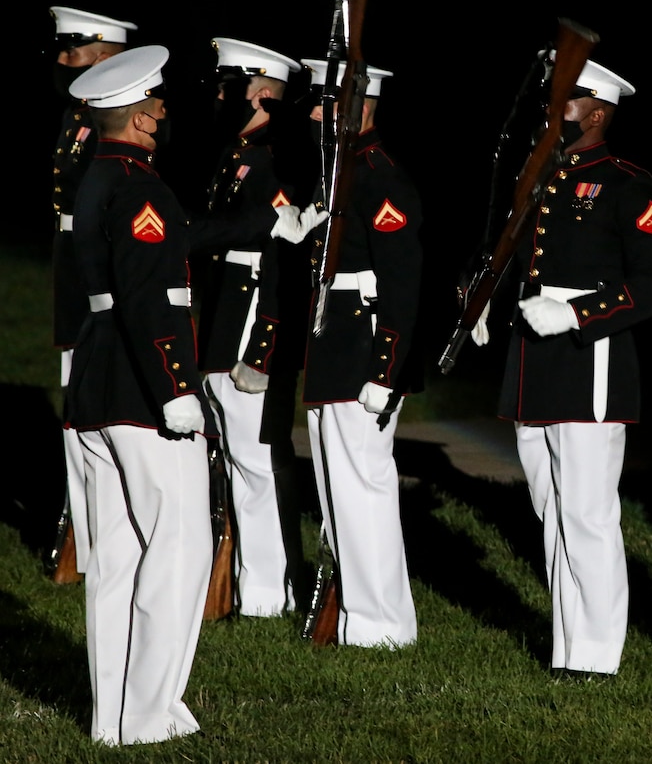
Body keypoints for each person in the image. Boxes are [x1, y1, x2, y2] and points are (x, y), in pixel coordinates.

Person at [65, 45, 311, 745]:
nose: (167, 113)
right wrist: (176, 389)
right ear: (141, 118)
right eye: (161, 104)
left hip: (97, 383)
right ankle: (148, 715)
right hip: (145, 390)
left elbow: (176, 238)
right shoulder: (140, 184)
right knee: (176, 549)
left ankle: (111, 717)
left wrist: (265, 225)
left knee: (114, 557)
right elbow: (151, 291)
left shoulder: (101, 177)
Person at [475, 55, 652, 678]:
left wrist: (582, 314)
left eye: (563, 100)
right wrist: (486, 298)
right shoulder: (544, 177)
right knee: (551, 508)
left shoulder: (626, 184)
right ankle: (569, 644)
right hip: (536, 361)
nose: (549, 110)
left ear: (596, 111)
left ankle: (595, 654)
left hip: (590, 362)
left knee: (587, 512)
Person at [300, 57, 424, 648]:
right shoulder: (340, 175)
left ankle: (382, 627)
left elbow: (402, 284)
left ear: (358, 107)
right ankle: (354, 612)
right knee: (334, 488)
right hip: (334, 344)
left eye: (325, 103)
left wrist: (387, 367)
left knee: (363, 487)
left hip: (364, 347)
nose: (315, 113)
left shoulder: (380, 178)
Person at [197, 37, 322, 617]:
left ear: (265, 93)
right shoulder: (240, 151)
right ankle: (255, 586)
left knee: (258, 460)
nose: (223, 96)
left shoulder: (275, 159)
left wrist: (263, 350)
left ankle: (273, 591)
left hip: (249, 321)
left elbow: (280, 260)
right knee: (237, 457)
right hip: (224, 316)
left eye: (233, 86)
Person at [47, 5, 138, 580]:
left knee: (94, 409)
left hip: (94, 269)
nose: (61, 58)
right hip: (70, 266)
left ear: (106, 54)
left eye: (73, 48)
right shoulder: (77, 116)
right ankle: (80, 532)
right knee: (73, 406)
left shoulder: (120, 122)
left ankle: (101, 535)